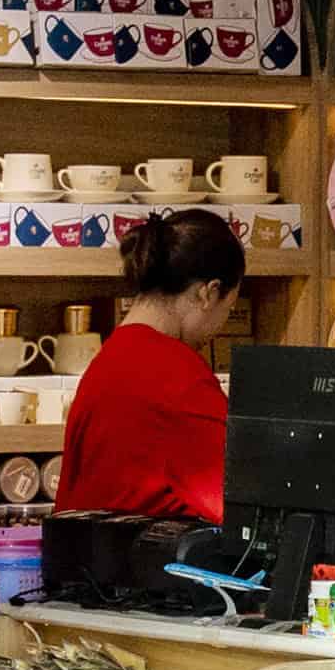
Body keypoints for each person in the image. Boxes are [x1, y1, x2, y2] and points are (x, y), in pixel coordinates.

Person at [54, 207, 239, 521]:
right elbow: (238, 503)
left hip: (89, 551)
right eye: (229, 309)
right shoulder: (179, 376)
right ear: (209, 293)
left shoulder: (110, 358)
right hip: (141, 553)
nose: (220, 326)